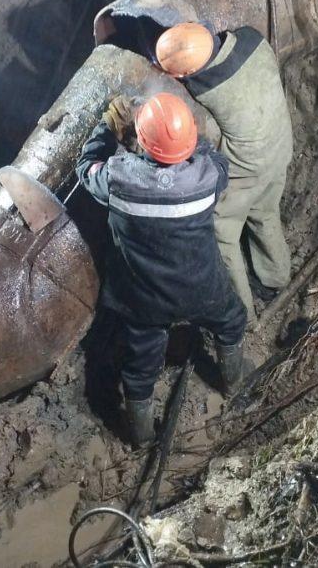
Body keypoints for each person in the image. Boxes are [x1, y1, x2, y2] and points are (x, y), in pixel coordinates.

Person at [76, 92, 247, 446]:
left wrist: (107, 128)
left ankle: (141, 437)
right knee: (232, 321)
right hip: (202, 287)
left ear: (141, 140)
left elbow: (86, 166)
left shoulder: (118, 178)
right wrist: (192, 138)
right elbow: (218, 161)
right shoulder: (207, 176)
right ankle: (234, 383)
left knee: (139, 368)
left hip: (145, 300)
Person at [154, 22, 293, 319]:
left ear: (186, 74)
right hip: (281, 145)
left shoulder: (207, 89)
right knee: (266, 211)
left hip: (251, 169)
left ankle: (241, 314)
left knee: (222, 232)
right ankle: (276, 278)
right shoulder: (253, 39)